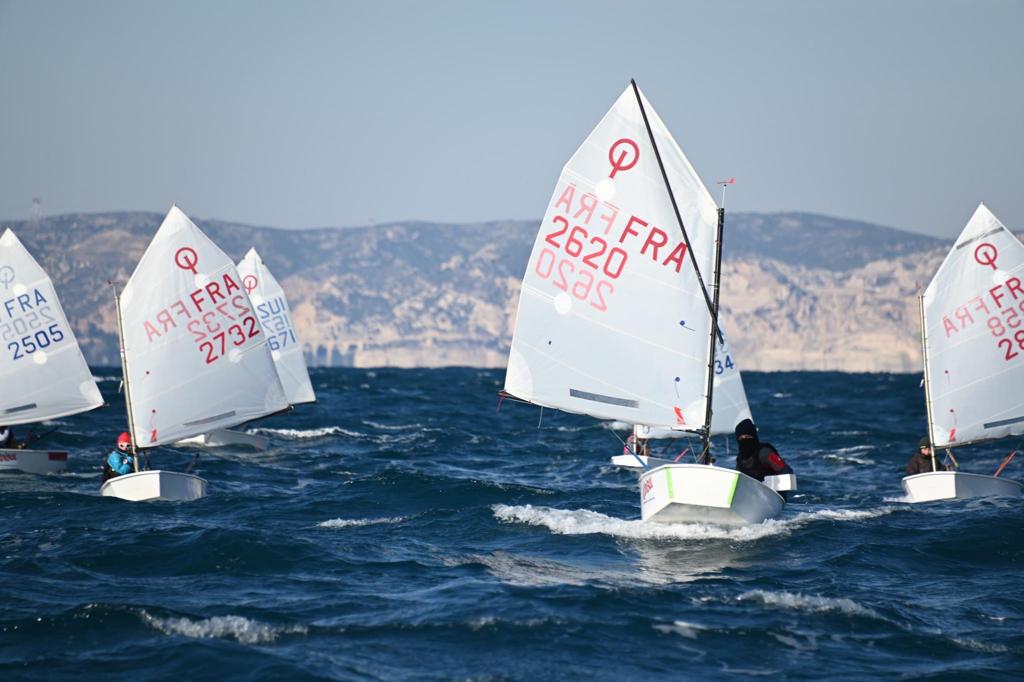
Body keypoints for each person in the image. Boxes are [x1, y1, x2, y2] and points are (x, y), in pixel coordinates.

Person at [734, 418, 793, 483]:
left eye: (747, 436)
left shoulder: (764, 453)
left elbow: (786, 471)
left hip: (772, 488)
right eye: (741, 438)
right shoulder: (740, 459)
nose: (744, 440)